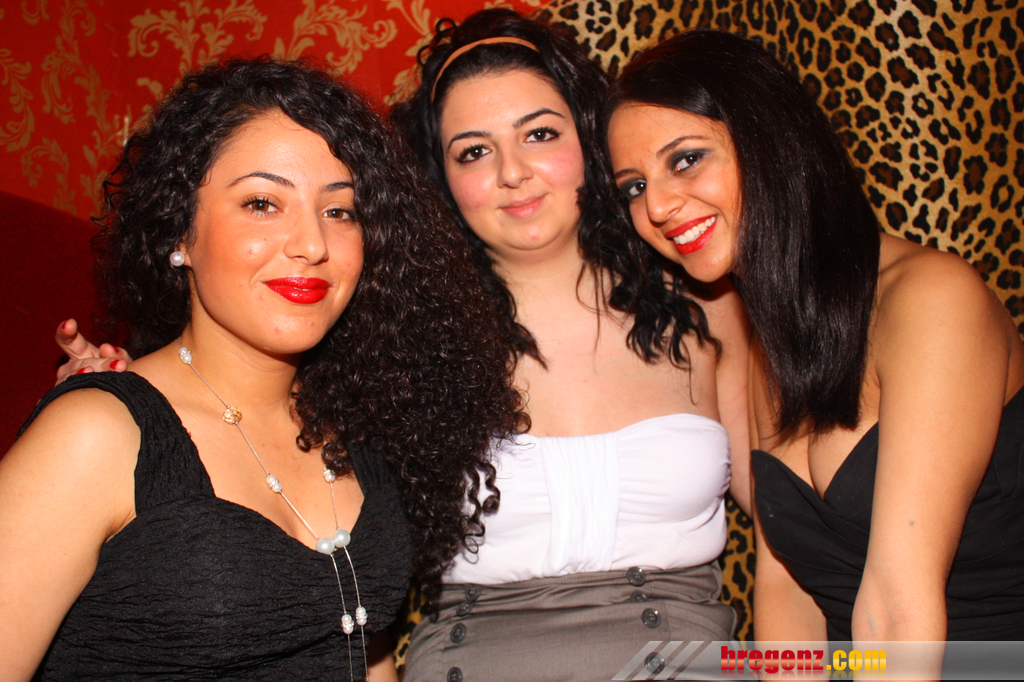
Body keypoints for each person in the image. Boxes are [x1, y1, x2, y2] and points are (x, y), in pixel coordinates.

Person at [0, 56, 521, 681]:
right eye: (262, 203)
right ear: (180, 232)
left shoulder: (360, 425)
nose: (312, 244)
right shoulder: (97, 433)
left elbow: (364, 654)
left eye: (340, 211)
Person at [607, 28, 1024, 668]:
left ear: (770, 140)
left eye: (686, 159)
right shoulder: (762, 334)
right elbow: (787, 595)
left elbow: (897, 606)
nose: (657, 205)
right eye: (634, 187)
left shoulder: (931, 298)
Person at [390, 10, 750, 680]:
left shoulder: (708, 308)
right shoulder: (398, 342)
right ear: (439, 180)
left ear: (589, 139)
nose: (513, 172)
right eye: (474, 152)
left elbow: (799, 539)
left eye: (540, 134)